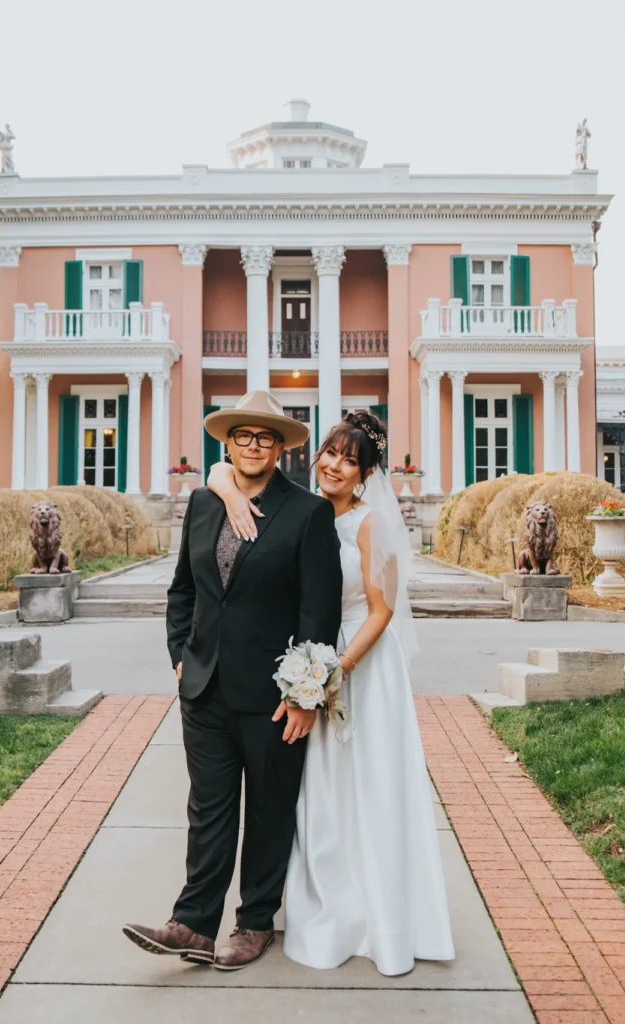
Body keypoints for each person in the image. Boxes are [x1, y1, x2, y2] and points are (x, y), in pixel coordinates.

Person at [209, 409, 454, 976]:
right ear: (314, 455)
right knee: (317, 789)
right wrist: (307, 673)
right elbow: (228, 479)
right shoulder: (300, 508)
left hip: (360, 668)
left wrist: (329, 673)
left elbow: (383, 609)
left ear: (366, 473)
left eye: (350, 459)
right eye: (329, 453)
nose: (335, 465)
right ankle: (325, 907)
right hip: (307, 662)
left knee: (368, 785)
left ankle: (381, 916)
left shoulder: (369, 523)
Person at [124, 390, 343, 971]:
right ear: (228, 444)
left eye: (264, 437)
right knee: (209, 809)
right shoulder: (202, 503)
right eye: (242, 436)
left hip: (274, 697)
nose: (252, 445)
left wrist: (305, 695)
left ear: (279, 448)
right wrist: (180, 653)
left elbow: (319, 615)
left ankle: (254, 922)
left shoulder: (307, 513)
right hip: (203, 689)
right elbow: (183, 591)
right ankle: (192, 925)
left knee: (270, 810)